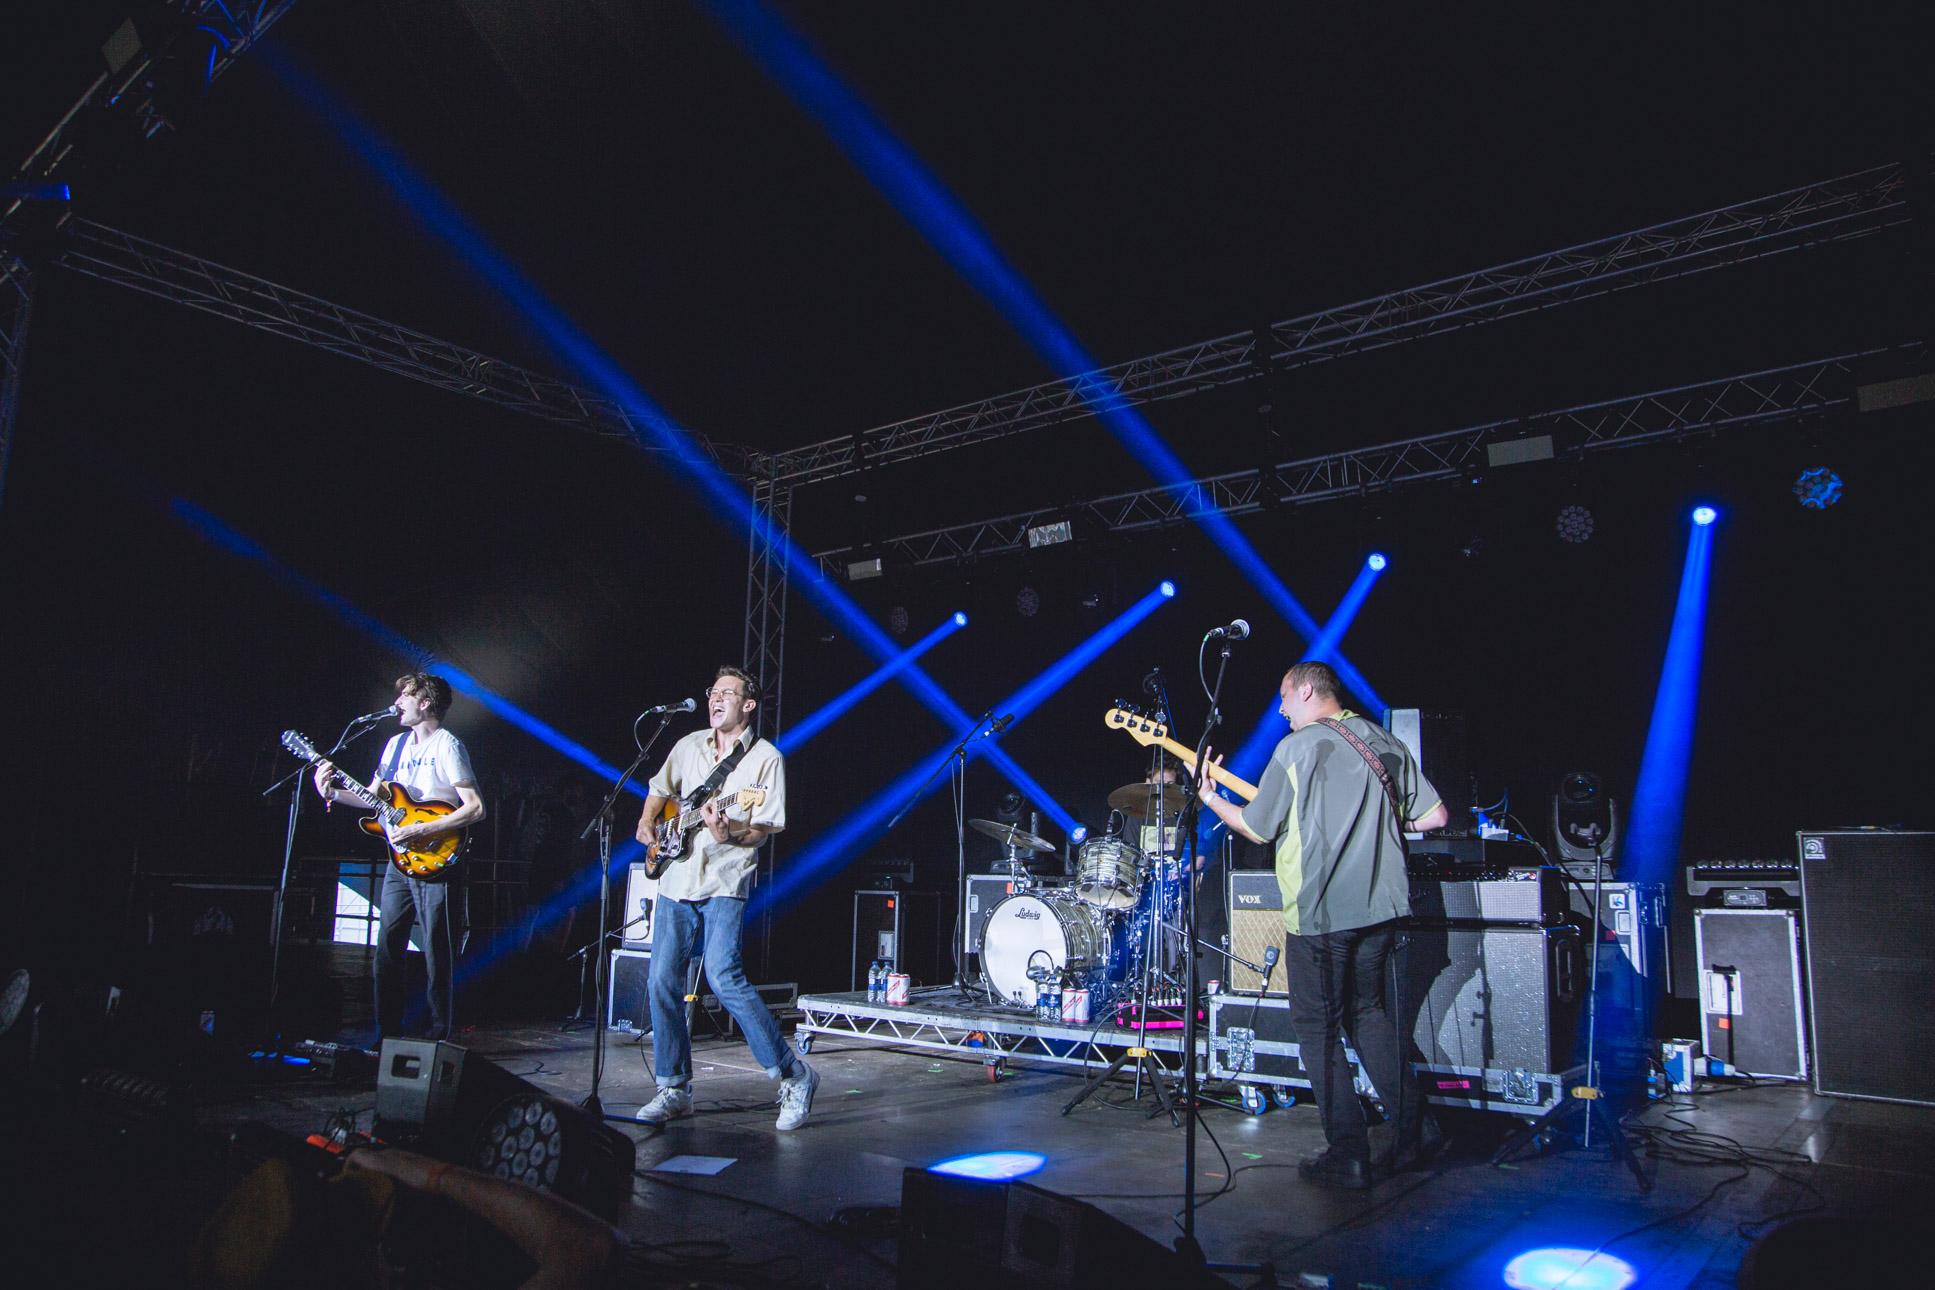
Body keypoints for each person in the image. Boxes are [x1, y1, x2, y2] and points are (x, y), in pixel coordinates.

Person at [1198, 661, 1447, 1189]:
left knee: (1317, 1028)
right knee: (1369, 1014)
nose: (1282, 711)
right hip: (1382, 909)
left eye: (1284, 699)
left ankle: (1348, 1151)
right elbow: (1435, 817)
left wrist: (1210, 798)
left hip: (1322, 914)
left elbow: (1259, 829)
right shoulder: (1383, 742)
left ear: (1307, 691)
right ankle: (1417, 1129)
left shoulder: (1297, 748)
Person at [631, 667, 815, 1131]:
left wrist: (726, 827)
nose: (715, 700)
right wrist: (650, 821)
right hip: (676, 877)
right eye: (712, 692)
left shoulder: (764, 760)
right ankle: (674, 1087)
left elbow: (760, 831)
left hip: (724, 878)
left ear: (748, 704)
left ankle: (794, 1076)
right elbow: (658, 788)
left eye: (726, 694)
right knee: (660, 980)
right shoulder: (688, 745)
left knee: (722, 974)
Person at [314, 673, 485, 1043]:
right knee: (387, 949)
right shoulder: (393, 746)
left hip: (436, 859)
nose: (398, 702)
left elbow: (475, 808)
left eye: (406, 695)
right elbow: (372, 798)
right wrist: (331, 793)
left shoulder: (447, 746)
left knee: (437, 952)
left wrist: (422, 830)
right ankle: (387, 1034)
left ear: (425, 702)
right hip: (398, 861)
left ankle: (439, 1035)